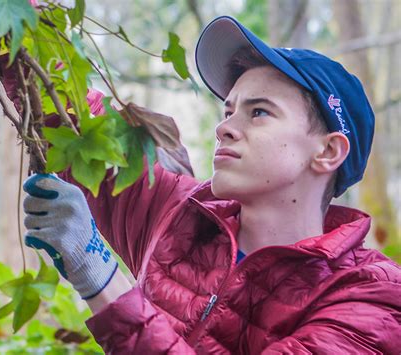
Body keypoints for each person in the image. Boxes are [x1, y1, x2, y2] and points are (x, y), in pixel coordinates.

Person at [22, 16, 401, 354]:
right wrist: (25, 17)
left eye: (259, 112)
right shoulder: (179, 213)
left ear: (328, 151)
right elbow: (72, 111)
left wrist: (98, 274)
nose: (225, 127)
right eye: (228, 110)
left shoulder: (372, 297)